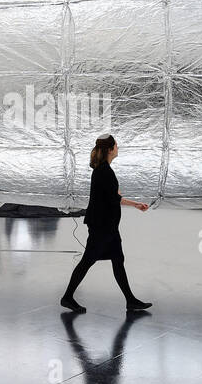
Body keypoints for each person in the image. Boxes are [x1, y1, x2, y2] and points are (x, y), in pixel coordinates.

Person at [60, 134, 152, 314]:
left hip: (107, 227)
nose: (118, 148)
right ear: (110, 149)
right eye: (116, 145)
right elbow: (114, 198)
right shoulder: (104, 172)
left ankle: (130, 300)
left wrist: (135, 205)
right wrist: (136, 205)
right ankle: (67, 297)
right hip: (102, 227)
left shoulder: (104, 170)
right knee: (87, 261)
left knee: (118, 260)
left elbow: (113, 197)